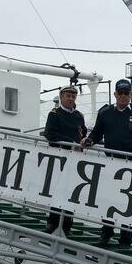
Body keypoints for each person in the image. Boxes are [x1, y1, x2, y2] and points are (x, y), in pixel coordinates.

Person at [81, 79, 132, 247]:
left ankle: (125, 238)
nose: (123, 96)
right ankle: (106, 234)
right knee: (108, 200)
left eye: (126, 93)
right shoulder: (105, 112)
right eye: (120, 93)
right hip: (112, 163)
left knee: (129, 202)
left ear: (130, 95)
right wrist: (89, 141)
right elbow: (97, 133)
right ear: (115, 94)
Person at [43, 84, 87, 235]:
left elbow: (83, 133)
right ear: (61, 97)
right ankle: (52, 222)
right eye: (68, 96)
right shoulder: (54, 114)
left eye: (73, 96)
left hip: (74, 159)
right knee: (57, 190)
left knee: (71, 192)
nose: (70, 98)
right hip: (59, 156)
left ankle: (67, 225)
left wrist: (82, 142)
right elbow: (50, 134)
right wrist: (70, 142)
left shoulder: (79, 116)